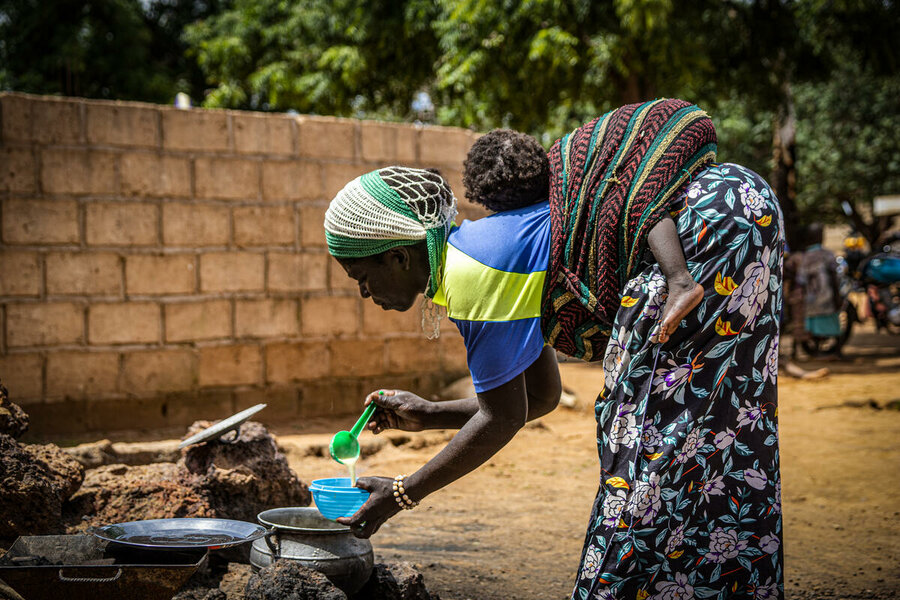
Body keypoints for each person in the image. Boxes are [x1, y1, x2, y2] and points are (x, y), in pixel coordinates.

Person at [324, 99, 784, 599]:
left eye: (362, 277)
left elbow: (500, 418)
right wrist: (428, 413)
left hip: (707, 228)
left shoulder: (470, 275)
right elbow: (537, 399)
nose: (365, 294)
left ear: (397, 255)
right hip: (736, 208)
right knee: (719, 427)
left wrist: (399, 494)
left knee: (647, 443)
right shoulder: (485, 252)